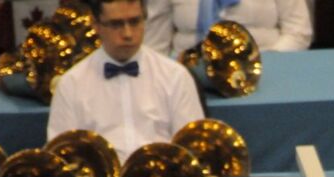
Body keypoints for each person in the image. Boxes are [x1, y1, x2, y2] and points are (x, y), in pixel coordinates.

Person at [46, 0, 204, 164]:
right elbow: (62, 157)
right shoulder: (71, 84)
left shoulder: (176, 76)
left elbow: (191, 149)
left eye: (135, 21)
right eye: (116, 24)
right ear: (95, 25)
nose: (128, 34)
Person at [170, 0, 313, 54]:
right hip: (189, 76)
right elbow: (159, 43)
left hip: (266, 72)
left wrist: (268, 61)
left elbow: (298, 32)